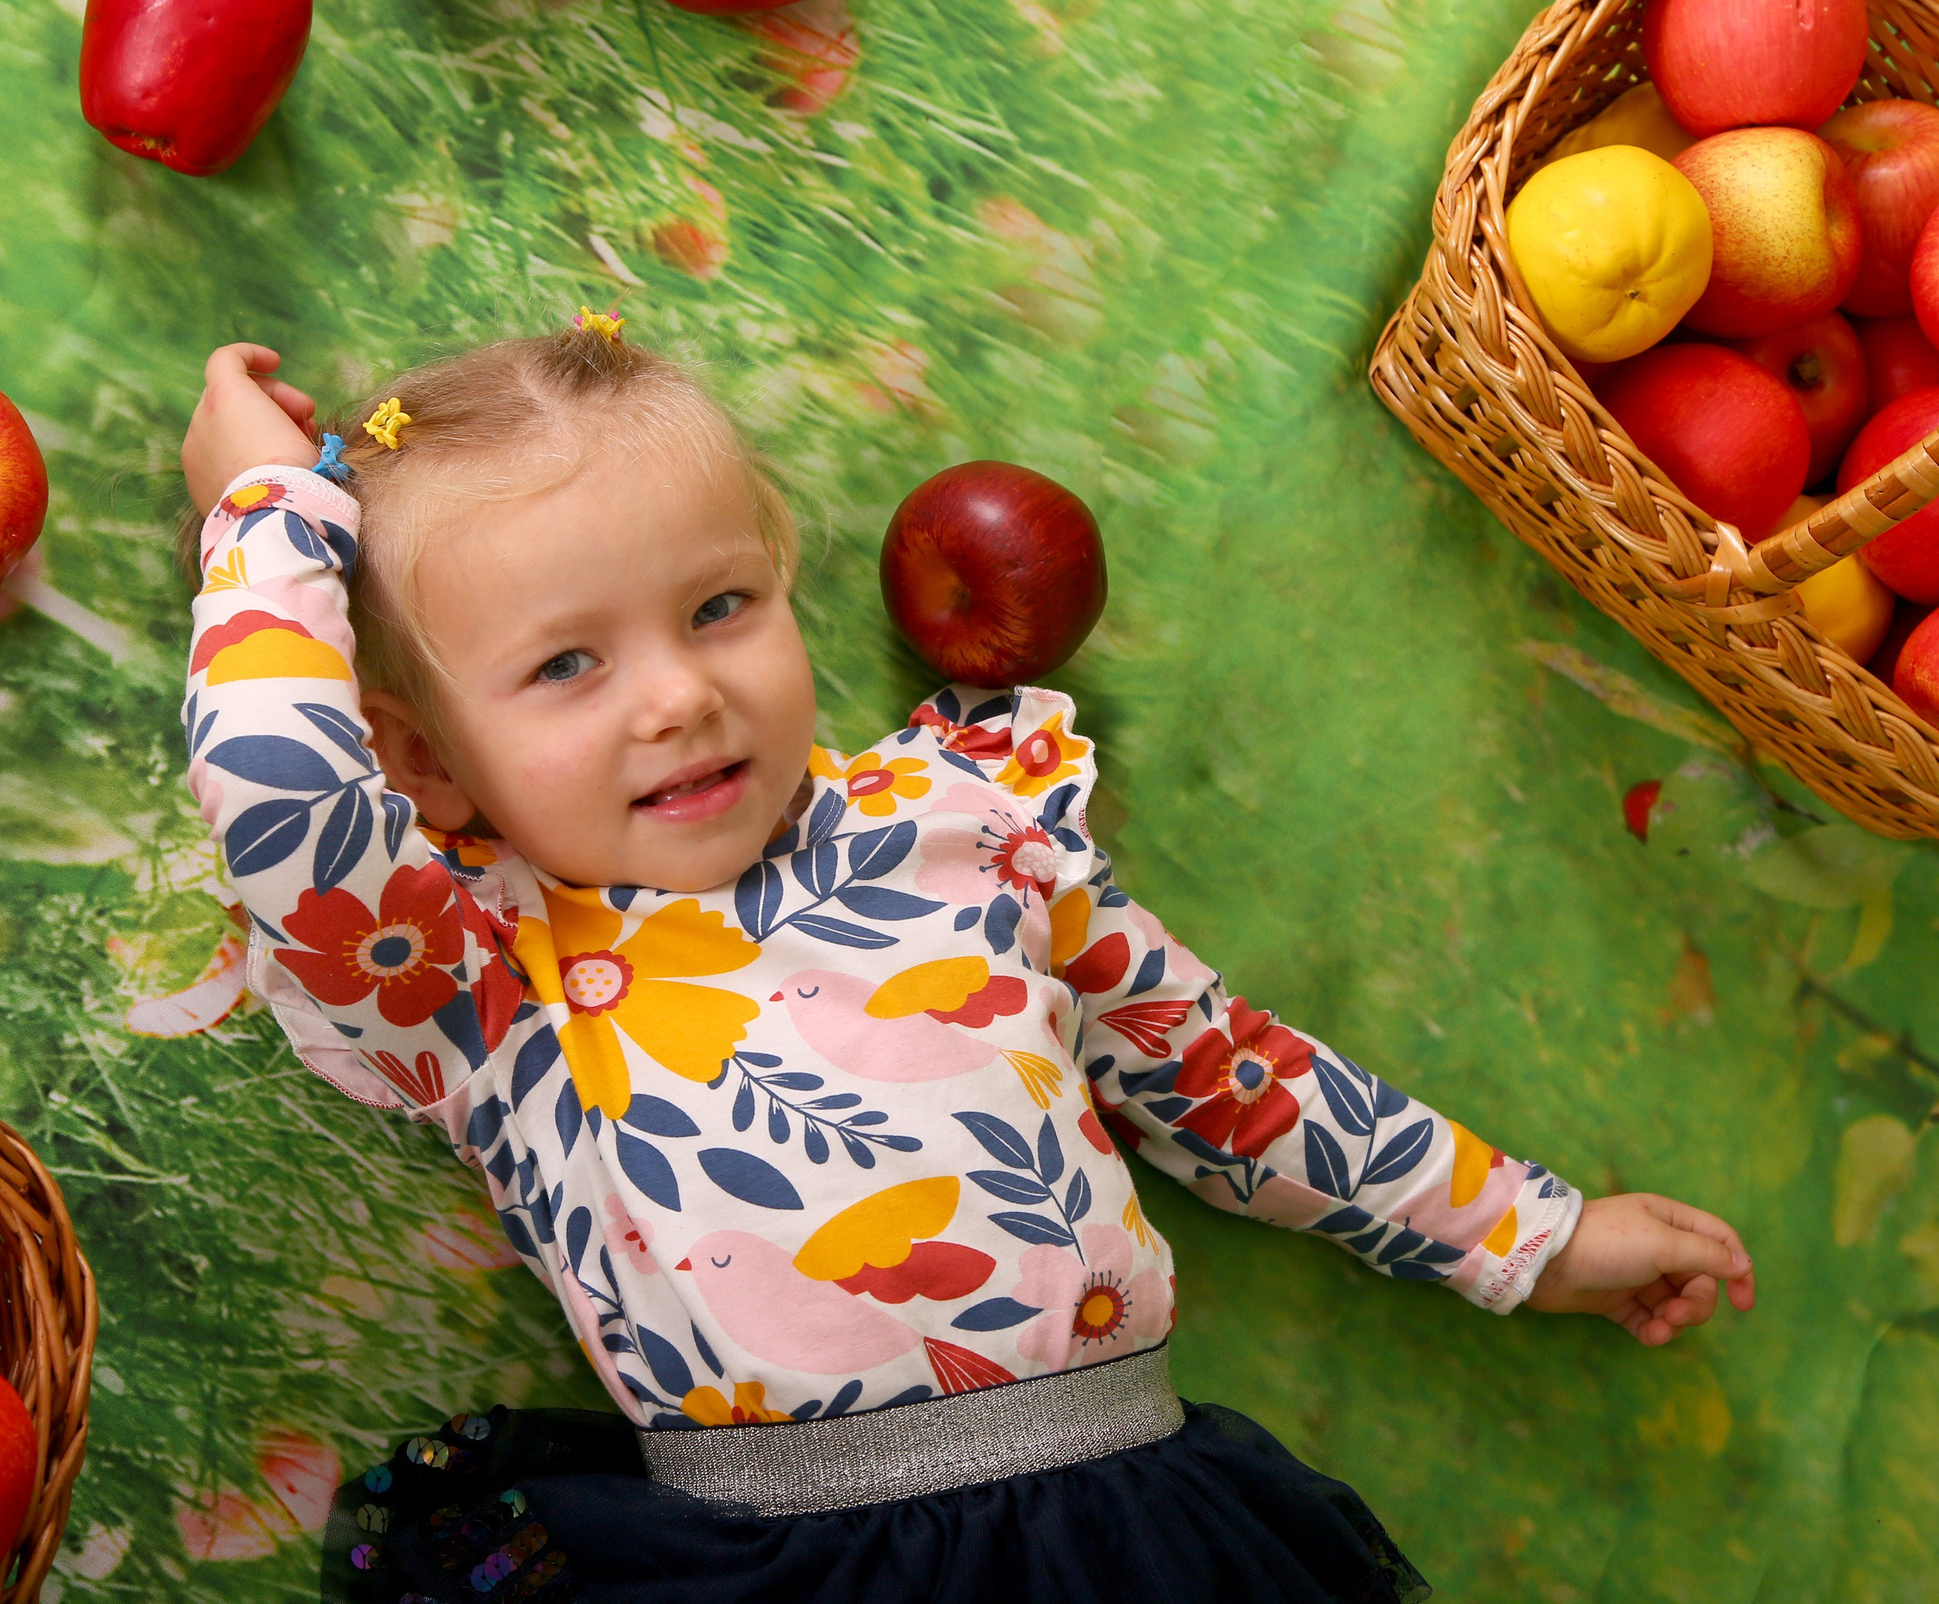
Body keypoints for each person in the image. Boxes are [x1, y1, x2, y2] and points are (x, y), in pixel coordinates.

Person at [176, 315, 1757, 1604]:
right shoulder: (471, 964)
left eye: (722, 605)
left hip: (1139, 1531)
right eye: (567, 665)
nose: (677, 697)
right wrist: (271, 512)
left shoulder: (967, 823)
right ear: (429, 766)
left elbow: (1227, 1075)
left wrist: (1529, 1235)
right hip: (776, 1566)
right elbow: (276, 786)